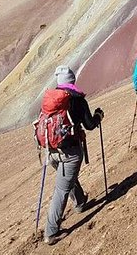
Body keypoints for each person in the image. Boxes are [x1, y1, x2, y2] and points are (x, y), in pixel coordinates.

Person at [43, 65, 104, 245]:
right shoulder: (77, 99)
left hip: (51, 150)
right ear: (72, 80)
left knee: (67, 179)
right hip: (70, 151)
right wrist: (98, 116)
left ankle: (79, 202)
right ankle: (51, 232)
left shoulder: (51, 99)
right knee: (61, 189)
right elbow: (90, 125)